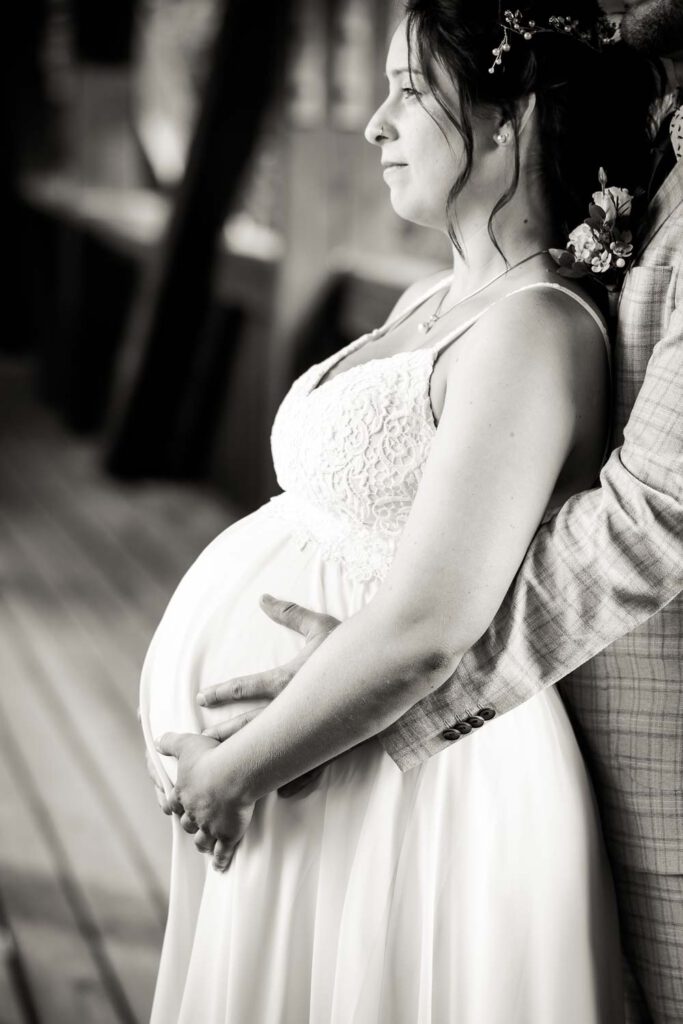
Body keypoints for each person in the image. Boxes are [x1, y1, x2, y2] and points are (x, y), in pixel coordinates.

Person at [140, 2, 661, 1021]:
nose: (374, 124)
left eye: (409, 92)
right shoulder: (430, 298)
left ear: (509, 118)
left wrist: (233, 773)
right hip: (317, 766)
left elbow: (430, 626)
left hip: (406, 787)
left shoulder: (533, 329)